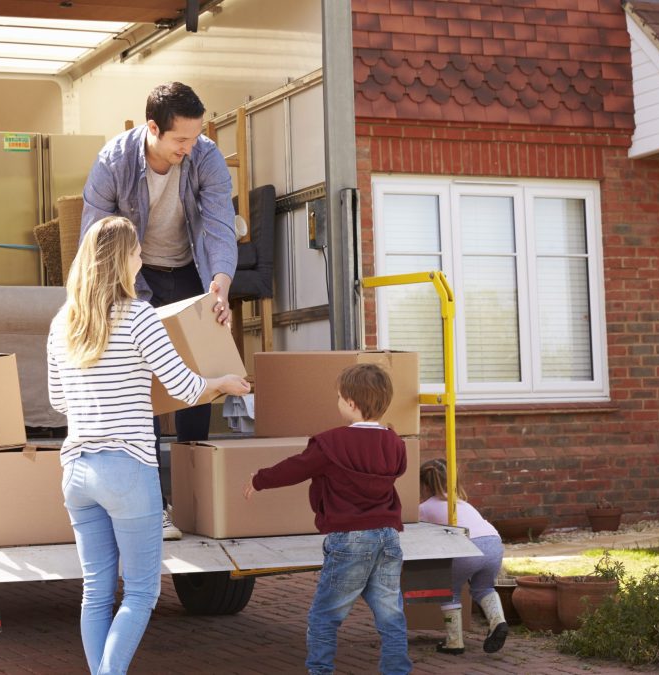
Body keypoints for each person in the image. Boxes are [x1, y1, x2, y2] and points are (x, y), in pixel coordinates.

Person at [48, 216, 249, 675]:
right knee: (141, 592)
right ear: (122, 260)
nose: (142, 259)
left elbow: (59, 400)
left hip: (77, 470)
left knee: (97, 590)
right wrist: (223, 383)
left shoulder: (62, 323)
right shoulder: (139, 317)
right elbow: (182, 386)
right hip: (128, 468)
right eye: (137, 252)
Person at [81, 81, 238, 541]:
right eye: (180, 140)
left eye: (195, 137)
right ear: (153, 129)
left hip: (191, 270)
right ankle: (152, 504)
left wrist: (221, 284)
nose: (190, 148)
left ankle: (193, 498)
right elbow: (96, 239)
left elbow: (218, 225)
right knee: (142, 380)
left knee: (197, 374)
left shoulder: (204, 156)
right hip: (134, 275)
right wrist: (119, 301)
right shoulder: (113, 162)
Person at [243, 364, 411, 675]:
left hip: (349, 538)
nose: (337, 402)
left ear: (351, 403)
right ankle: (397, 671)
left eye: (338, 397)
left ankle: (320, 671)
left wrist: (260, 479)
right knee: (391, 615)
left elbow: (296, 468)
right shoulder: (395, 443)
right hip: (388, 536)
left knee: (325, 616)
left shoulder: (331, 443)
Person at [418, 458, 508, 655]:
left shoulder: (424, 508)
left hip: (467, 547)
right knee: (484, 587)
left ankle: (454, 642)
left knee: (449, 590)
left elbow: (417, 533)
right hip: (493, 543)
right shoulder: (462, 503)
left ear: (424, 485)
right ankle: (498, 622)